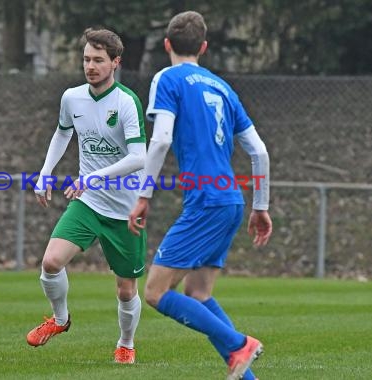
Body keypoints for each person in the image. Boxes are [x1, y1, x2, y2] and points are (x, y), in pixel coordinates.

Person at [128, 11, 272, 380]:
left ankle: (240, 343)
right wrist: (261, 206)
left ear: (166, 45)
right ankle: (247, 373)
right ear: (204, 47)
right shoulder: (223, 87)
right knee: (198, 293)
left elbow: (160, 139)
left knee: (157, 293)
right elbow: (258, 151)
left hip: (206, 201)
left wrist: (143, 196)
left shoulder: (168, 78)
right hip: (231, 200)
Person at [27, 28, 147, 365]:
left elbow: (139, 157)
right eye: (86, 59)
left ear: (115, 63)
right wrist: (45, 172)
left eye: (98, 60)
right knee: (51, 262)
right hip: (88, 202)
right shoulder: (72, 98)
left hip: (125, 210)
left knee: (126, 290)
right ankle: (60, 320)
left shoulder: (126, 102)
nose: (90, 66)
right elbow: (62, 133)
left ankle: (126, 343)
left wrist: (92, 177)